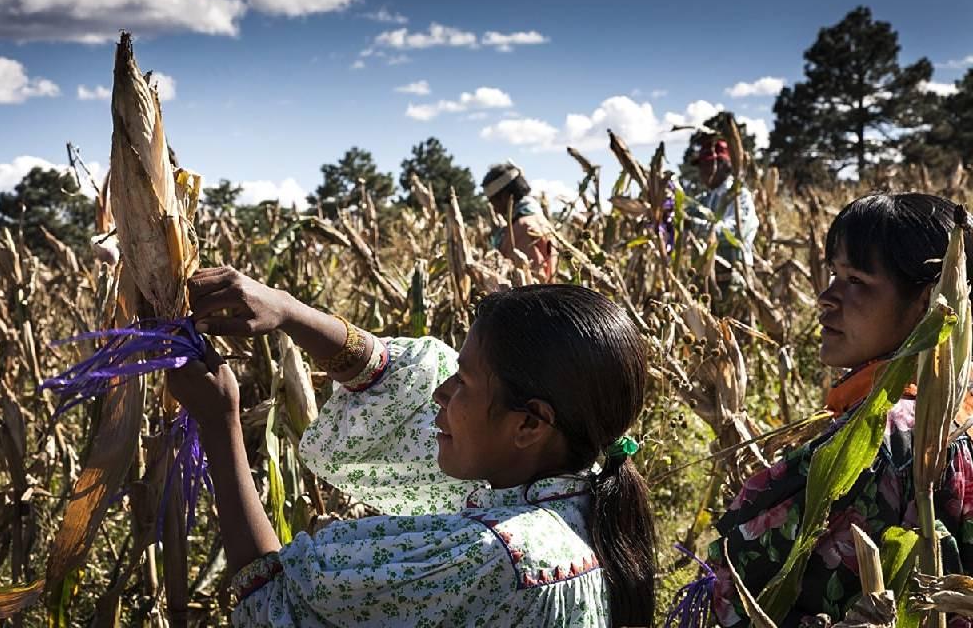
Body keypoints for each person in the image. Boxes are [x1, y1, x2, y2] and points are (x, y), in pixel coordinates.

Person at [167, 267, 657, 626]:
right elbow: (395, 387)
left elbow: (272, 605)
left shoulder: (491, 555)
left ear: (529, 423)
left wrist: (220, 422)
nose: (439, 392)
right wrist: (288, 311)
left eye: (462, 381)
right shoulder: (582, 504)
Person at [706, 193, 973, 627]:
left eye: (856, 280)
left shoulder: (878, 440)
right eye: (832, 275)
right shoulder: (960, 412)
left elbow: (742, 582)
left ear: (930, 302)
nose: (826, 298)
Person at [686, 137, 759, 289]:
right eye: (701, 166)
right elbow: (683, 214)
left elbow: (735, 232)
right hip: (706, 281)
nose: (702, 171)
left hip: (734, 279)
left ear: (723, 165)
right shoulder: (703, 200)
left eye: (706, 165)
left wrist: (694, 226)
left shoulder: (739, 196)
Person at [482, 161, 558, 281]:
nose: (495, 210)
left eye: (493, 202)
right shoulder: (539, 220)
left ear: (505, 196)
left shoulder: (523, 228)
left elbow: (535, 277)